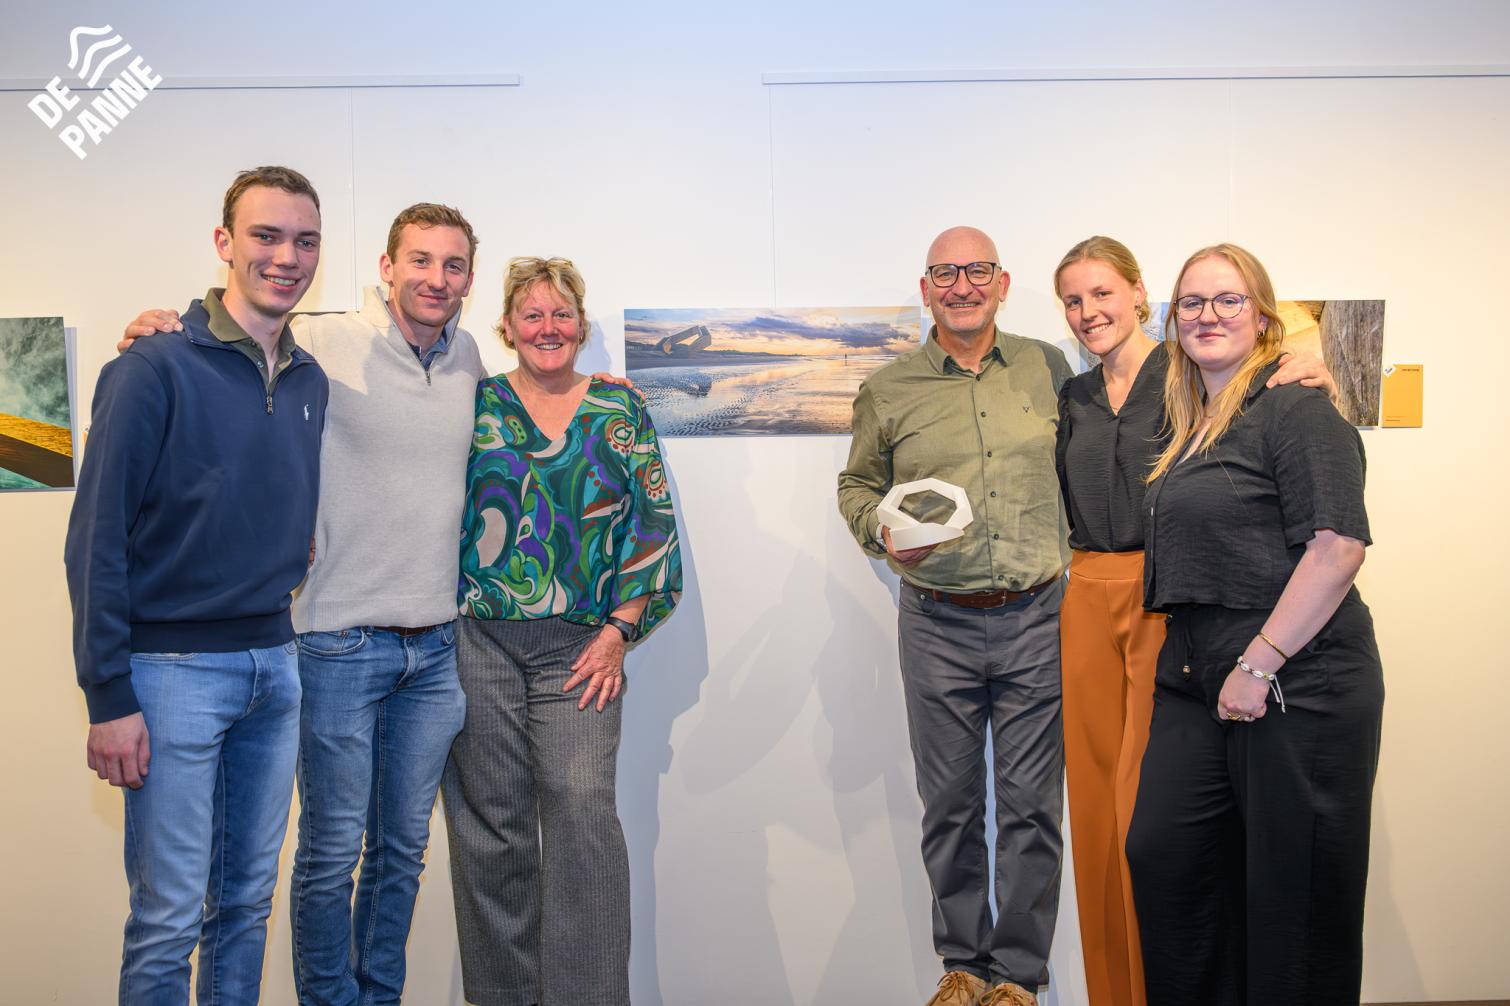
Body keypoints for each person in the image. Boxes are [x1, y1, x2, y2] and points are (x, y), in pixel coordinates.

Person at [65, 165, 329, 1003]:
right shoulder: (152, 367)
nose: (286, 257)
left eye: (305, 241)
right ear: (224, 242)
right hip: (171, 675)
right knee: (168, 917)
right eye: (265, 235)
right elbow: (94, 541)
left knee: (246, 906)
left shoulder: (309, 378)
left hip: (275, 667)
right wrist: (108, 695)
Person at [1051, 237, 1333, 1006]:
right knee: (1096, 808)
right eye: (1073, 300)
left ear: (1141, 296)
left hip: (1166, 596)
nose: (1088, 312)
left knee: (1149, 815)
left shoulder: (1182, 376)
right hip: (1084, 594)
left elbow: (1262, 358)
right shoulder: (1070, 395)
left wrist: (1311, 361)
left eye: (1103, 293)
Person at [1124, 243, 1384, 1005]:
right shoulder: (1189, 420)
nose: (1208, 315)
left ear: (1263, 316)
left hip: (1297, 676)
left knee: (1293, 896)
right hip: (1194, 674)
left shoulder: (1296, 407)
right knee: (1169, 861)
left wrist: (1259, 662)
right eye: (1192, 302)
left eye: (1228, 299)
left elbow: (1338, 548)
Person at [838, 226, 1070, 1006]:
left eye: (976, 271)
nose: (961, 286)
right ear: (926, 288)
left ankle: (1019, 977)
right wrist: (879, 533)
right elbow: (857, 487)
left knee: (1032, 808)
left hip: (1037, 618)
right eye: (945, 273)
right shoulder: (889, 389)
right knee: (950, 805)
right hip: (936, 623)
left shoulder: (1048, 367)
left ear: (1001, 283)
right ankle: (965, 965)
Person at [444, 255, 682, 1006]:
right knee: (491, 826)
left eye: (561, 314)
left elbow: (652, 525)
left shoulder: (619, 408)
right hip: (480, 643)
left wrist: (619, 631)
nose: (547, 327)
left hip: (584, 647)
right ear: (506, 326)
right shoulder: (474, 403)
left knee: (581, 814)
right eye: (532, 314)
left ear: (580, 326)